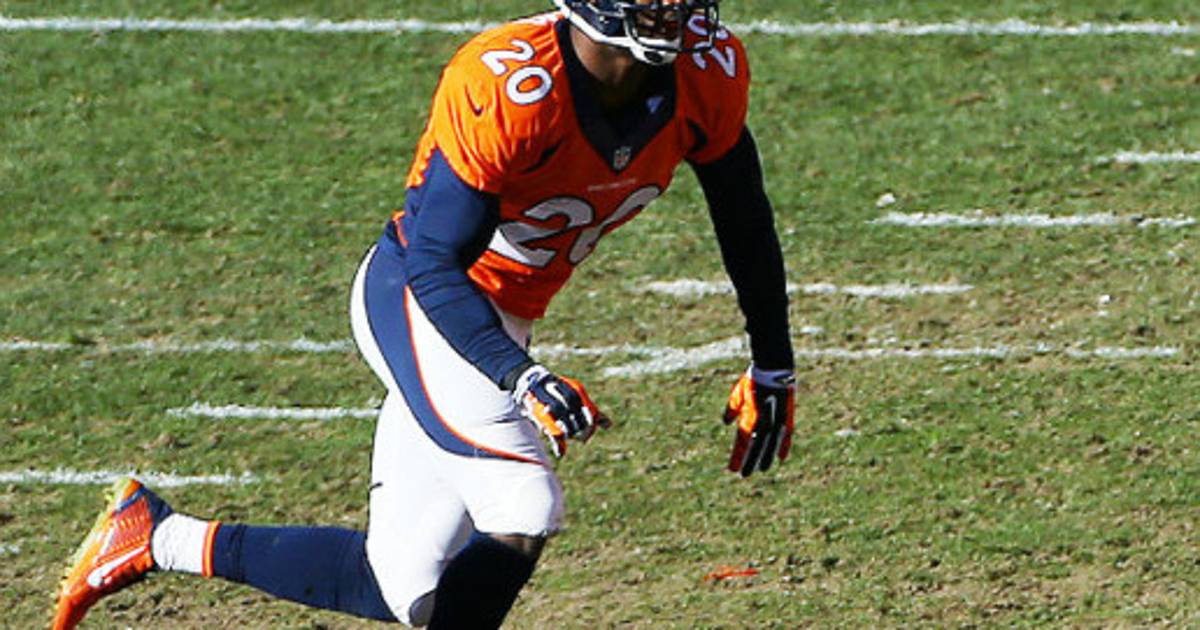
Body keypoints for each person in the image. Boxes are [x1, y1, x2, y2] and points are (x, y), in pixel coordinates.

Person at [51, 1, 796, 628]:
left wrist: (772, 365)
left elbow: (744, 219)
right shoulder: (514, 83)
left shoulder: (706, 72)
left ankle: (156, 536)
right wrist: (518, 375)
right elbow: (433, 262)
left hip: (502, 319)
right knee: (525, 503)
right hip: (423, 303)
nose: (676, 7)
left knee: (402, 586)